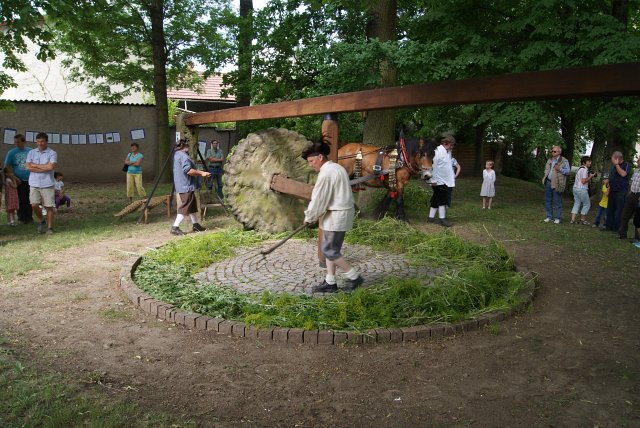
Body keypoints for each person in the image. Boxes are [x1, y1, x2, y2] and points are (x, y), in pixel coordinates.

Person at [302, 140, 363, 293]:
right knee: (332, 249)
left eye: (311, 161)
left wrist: (309, 217)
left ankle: (354, 277)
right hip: (334, 215)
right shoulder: (337, 168)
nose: (310, 164)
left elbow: (319, 199)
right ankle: (331, 282)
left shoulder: (326, 173)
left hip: (337, 216)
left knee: (329, 250)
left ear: (320, 157)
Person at [171, 139, 210, 236]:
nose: (189, 147)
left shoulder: (177, 155)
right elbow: (188, 170)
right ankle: (175, 227)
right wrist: (202, 173)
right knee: (186, 206)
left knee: (191, 206)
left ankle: (196, 225)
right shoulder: (184, 156)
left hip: (183, 185)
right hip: (186, 186)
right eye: (188, 145)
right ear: (185, 146)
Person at [25, 132, 57, 234]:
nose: (40, 143)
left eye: (42, 141)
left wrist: (35, 165)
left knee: (49, 206)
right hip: (34, 183)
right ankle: (42, 221)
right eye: (38, 141)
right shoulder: (31, 152)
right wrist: (43, 167)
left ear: (46, 141)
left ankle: (50, 228)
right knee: (34, 204)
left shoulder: (52, 153)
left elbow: (51, 167)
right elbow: (28, 167)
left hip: (47, 183)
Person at [3, 134, 33, 223]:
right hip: (19, 180)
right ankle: (22, 217)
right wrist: (13, 176)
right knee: (22, 198)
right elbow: (6, 166)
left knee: (30, 199)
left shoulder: (30, 151)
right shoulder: (11, 152)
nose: (17, 144)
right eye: (15, 142)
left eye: (18, 142)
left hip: (31, 179)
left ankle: (29, 217)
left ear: (24, 142)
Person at [428, 135, 455, 227]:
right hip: (438, 181)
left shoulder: (448, 152)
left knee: (436, 198)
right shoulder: (437, 152)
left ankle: (431, 218)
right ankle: (442, 219)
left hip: (446, 180)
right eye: (451, 145)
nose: (452, 147)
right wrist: (433, 180)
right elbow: (433, 167)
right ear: (446, 143)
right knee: (443, 200)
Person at [542, 145, 570, 224]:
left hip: (557, 183)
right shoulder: (550, 160)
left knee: (558, 201)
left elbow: (568, 171)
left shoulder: (564, 161)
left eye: (554, 151)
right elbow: (546, 169)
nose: (552, 152)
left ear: (559, 152)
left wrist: (560, 169)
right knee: (547, 200)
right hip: (548, 182)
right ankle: (549, 216)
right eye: (552, 151)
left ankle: (557, 218)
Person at [604, 151, 630, 232]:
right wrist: (608, 182)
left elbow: (623, 174)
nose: (612, 160)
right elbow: (612, 176)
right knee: (610, 209)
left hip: (621, 191)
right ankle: (608, 226)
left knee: (619, 210)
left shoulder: (626, 164)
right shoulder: (614, 167)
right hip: (612, 190)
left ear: (617, 159)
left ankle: (617, 228)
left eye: (612, 159)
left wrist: (616, 165)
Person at [617, 156, 640, 240]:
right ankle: (622, 234)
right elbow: (632, 182)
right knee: (625, 215)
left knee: (637, 217)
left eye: (639, 160)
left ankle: (637, 238)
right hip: (632, 195)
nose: (637, 161)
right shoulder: (636, 170)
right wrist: (629, 193)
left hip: (639, 196)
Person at [570, 156, 596, 224]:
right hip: (582, 189)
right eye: (589, 161)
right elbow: (583, 181)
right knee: (587, 204)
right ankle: (582, 220)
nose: (590, 162)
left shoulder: (579, 168)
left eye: (590, 161)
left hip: (575, 188)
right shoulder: (584, 169)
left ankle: (572, 220)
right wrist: (590, 176)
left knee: (577, 203)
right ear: (584, 162)